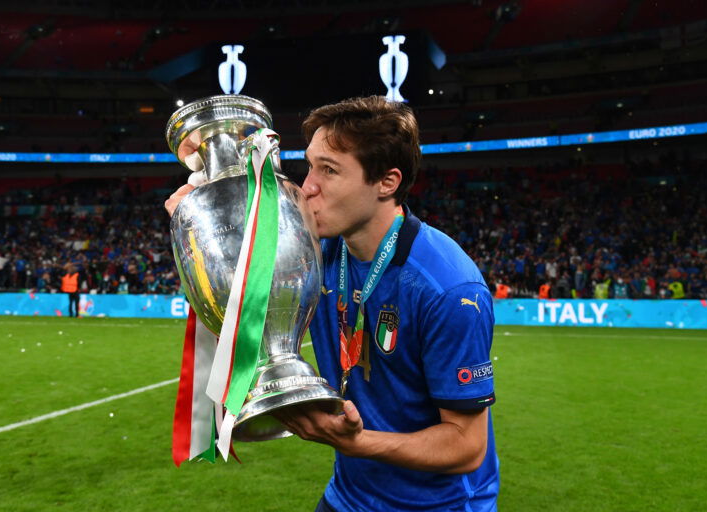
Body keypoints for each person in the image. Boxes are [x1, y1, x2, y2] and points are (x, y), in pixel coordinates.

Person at [164, 96, 499, 511]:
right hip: (348, 496)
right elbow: (236, 301)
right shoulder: (313, 251)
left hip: (435, 505)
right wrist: (204, 223)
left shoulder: (447, 288)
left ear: (386, 182)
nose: (308, 187)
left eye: (330, 170)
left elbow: (467, 446)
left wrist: (358, 442)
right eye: (309, 166)